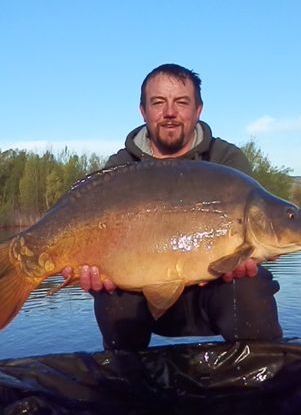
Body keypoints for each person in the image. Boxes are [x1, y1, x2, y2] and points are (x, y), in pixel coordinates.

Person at [63, 63, 282, 350]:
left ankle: (257, 383)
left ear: (198, 110)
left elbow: (250, 239)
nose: (169, 112)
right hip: (139, 295)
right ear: (143, 111)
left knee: (251, 284)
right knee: (111, 297)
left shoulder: (226, 160)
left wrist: (254, 255)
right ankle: (129, 384)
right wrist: (91, 269)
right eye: (158, 103)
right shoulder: (121, 168)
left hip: (214, 293)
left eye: (181, 102)